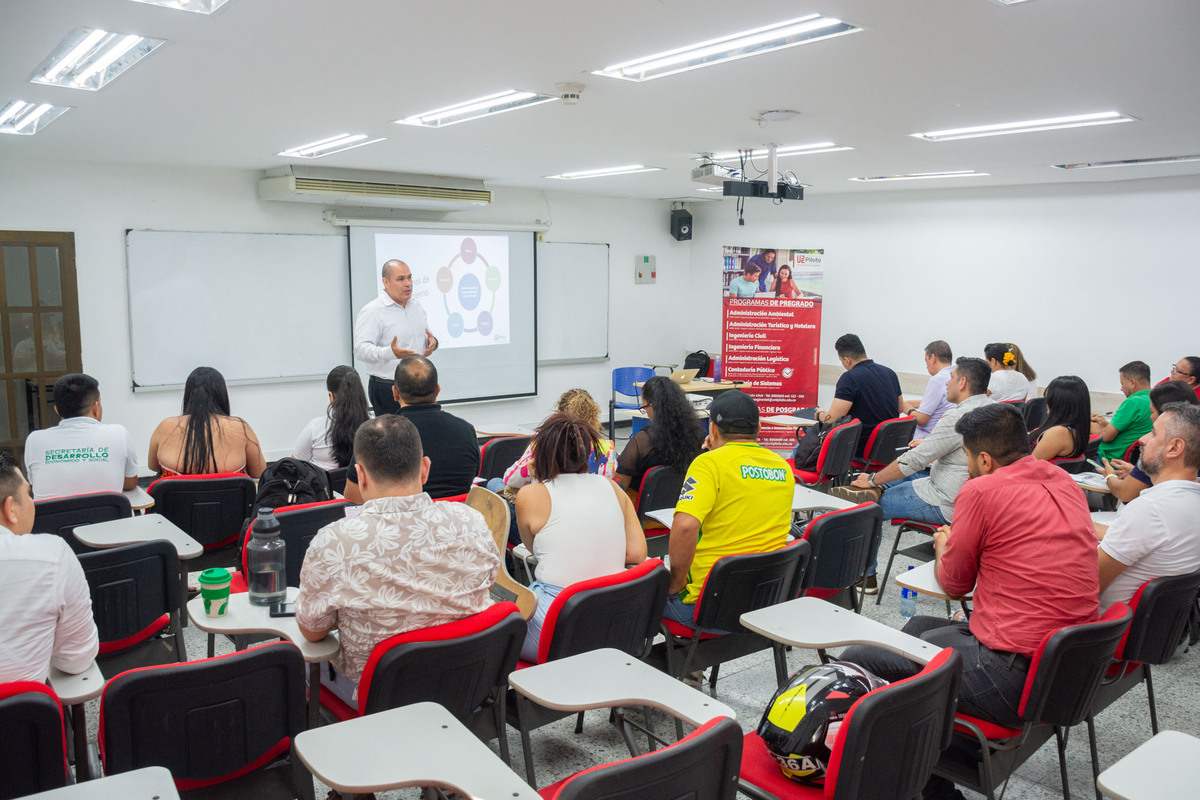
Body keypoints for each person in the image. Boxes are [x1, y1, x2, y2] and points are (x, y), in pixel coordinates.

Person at [841, 404, 1098, 800]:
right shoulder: (1062, 481)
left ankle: (920, 778)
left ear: (983, 457)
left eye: (966, 457)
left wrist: (944, 545)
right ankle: (928, 765)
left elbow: (955, 583)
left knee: (860, 657)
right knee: (919, 630)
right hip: (1067, 666)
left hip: (1012, 673)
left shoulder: (982, 489)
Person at [296, 415, 498, 705]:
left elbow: (312, 631)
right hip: (466, 682)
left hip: (381, 698)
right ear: (425, 469)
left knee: (300, 656)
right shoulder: (472, 521)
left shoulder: (334, 542)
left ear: (360, 475)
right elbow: (488, 586)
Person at [837, 357, 994, 593]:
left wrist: (872, 479)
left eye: (950, 379)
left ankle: (865, 577)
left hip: (943, 498)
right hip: (970, 498)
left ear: (962, 382)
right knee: (893, 481)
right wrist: (928, 444)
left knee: (868, 506)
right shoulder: (994, 409)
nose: (946, 384)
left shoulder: (957, 417)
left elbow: (914, 461)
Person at [514, 414, 647, 660]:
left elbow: (534, 549)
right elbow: (638, 555)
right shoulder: (612, 488)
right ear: (586, 454)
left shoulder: (530, 495)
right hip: (612, 620)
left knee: (495, 631)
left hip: (556, 623)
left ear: (540, 455)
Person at [665, 391, 794, 627]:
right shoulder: (782, 467)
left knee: (632, 600)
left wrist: (675, 583)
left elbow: (685, 526)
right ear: (760, 428)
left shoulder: (708, 464)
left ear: (713, 429)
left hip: (707, 606)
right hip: (764, 601)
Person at [0, 454, 99, 683]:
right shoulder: (51, 556)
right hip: (24, 717)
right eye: (28, 494)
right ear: (10, 508)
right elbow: (76, 660)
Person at [1095, 403, 1200, 610]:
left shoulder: (1150, 509)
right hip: (1149, 633)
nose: (1142, 439)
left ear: (1174, 448)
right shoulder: (1188, 501)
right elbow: (1149, 539)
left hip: (1100, 630)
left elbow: (1084, 586)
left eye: (1152, 433)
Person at [343, 356, 478, 502]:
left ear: (394, 392)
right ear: (437, 390)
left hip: (397, 524)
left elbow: (353, 496)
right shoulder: (466, 431)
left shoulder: (376, 435)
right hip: (455, 521)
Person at [24, 373, 139, 499]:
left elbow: (35, 484)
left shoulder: (35, 440)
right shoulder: (119, 434)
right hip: (109, 518)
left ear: (56, 410)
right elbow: (130, 482)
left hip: (53, 519)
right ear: (96, 407)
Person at [353, 259, 439, 416]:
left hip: (419, 383)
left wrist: (433, 342)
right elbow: (360, 350)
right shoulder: (373, 311)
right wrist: (391, 352)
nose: (408, 283)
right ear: (385, 282)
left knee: (420, 436)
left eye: (409, 277)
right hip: (388, 387)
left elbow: (426, 334)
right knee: (395, 438)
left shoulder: (416, 306)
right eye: (401, 279)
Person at [148, 367, 266, 478]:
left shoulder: (165, 426)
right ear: (222, 395)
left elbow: (152, 466)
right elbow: (259, 472)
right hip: (229, 500)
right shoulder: (240, 427)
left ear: (188, 395)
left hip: (176, 500)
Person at [500, 388, 618, 491]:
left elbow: (510, 479)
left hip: (546, 509)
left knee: (495, 482)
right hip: (592, 510)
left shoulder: (545, 443)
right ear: (594, 416)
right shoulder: (608, 449)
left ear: (559, 415)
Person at [1102, 381, 1198, 502]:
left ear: (1168, 413)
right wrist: (1136, 472)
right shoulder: (1194, 441)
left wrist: (1109, 475)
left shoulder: (1155, 450)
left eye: (1152, 412)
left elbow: (1125, 493)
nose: (1150, 417)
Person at [815, 334, 903, 457]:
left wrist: (819, 414)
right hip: (889, 447)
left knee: (802, 446)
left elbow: (831, 419)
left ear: (847, 360)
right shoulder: (890, 373)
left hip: (859, 447)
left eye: (842, 361)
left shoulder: (849, 378)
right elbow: (900, 408)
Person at [614, 376, 704, 492]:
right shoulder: (698, 435)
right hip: (685, 504)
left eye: (644, 407)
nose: (645, 412)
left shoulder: (643, 441)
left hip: (645, 508)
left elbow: (620, 486)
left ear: (653, 405)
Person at [292, 366, 371, 472]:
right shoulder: (373, 427)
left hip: (325, 488)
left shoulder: (315, 428)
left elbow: (295, 464)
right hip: (360, 487)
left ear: (331, 396)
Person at [1094, 360, 1153, 463]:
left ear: (1132, 383)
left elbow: (1107, 437)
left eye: (1122, 383)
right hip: (1133, 460)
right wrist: (1105, 424)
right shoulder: (1155, 399)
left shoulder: (1133, 402)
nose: (1121, 388)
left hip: (1109, 459)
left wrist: (1101, 428)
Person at [1029, 375, 1091, 461]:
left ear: (1058, 403)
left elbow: (1030, 464)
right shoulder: (1077, 428)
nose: (1046, 403)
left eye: (1048, 398)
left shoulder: (1058, 433)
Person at [903, 341, 954, 439]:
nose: (926, 366)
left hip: (926, 438)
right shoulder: (955, 375)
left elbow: (922, 420)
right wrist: (916, 403)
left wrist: (906, 408)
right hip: (946, 435)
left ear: (933, 358)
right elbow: (942, 403)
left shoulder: (937, 379)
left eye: (926, 361)